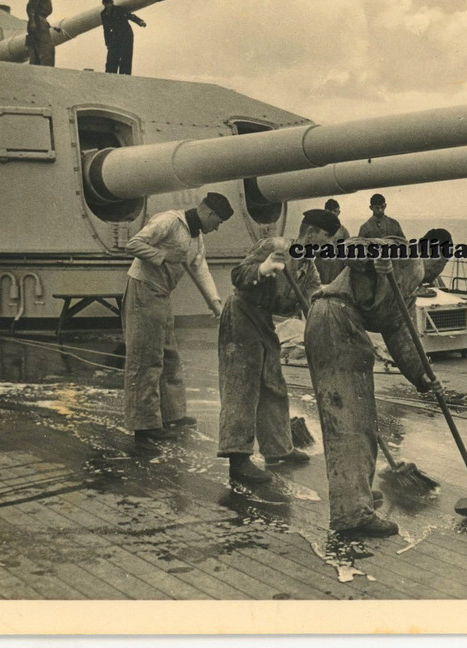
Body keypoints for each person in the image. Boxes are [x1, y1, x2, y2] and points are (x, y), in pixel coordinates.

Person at [304, 238, 443, 537]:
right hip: (336, 320)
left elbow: (398, 330)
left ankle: (356, 499)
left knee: (359, 421)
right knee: (349, 424)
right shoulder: (403, 253)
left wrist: (421, 374)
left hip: (337, 323)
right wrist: (374, 261)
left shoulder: (410, 284)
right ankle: (352, 514)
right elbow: (348, 247)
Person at [217, 209, 339, 484]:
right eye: (326, 241)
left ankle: (277, 449)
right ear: (311, 233)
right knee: (242, 386)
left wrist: (326, 325)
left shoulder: (308, 267)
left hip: (264, 320)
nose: (327, 248)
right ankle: (238, 460)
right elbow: (238, 275)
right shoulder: (275, 247)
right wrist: (263, 268)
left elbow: (313, 300)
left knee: (273, 383)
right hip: (242, 315)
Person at [122, 192, 234, 440]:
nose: (217, 228)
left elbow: (200, 269)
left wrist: (216, 305)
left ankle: (173, 414)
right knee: (146, 357)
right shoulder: (170, 221)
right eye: (218, 222)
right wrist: (163, 257)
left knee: (169, 355)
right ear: (209, 213)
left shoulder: (196, 237)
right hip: (144, 289)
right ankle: (145, 424)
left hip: (162, 294)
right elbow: (133, 244)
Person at [100, 0, 147, 75]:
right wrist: (108, 43)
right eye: (108, 4)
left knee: (126, 58)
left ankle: (124, 77)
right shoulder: (103, 14)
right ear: (104, 4)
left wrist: (140, 22)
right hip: (115, 38)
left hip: (126, 36)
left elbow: (130, 16)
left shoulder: (119, 9)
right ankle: (110, 77)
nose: (110, 5)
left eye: (111, 3)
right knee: (112, 60)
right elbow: (106, 30)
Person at [26, 0, 59, 67]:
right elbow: (31, 7)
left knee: (38, 52)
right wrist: (32, 22)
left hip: (41, 22)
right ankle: (45, 73)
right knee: (47, 51)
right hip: (38, 23)